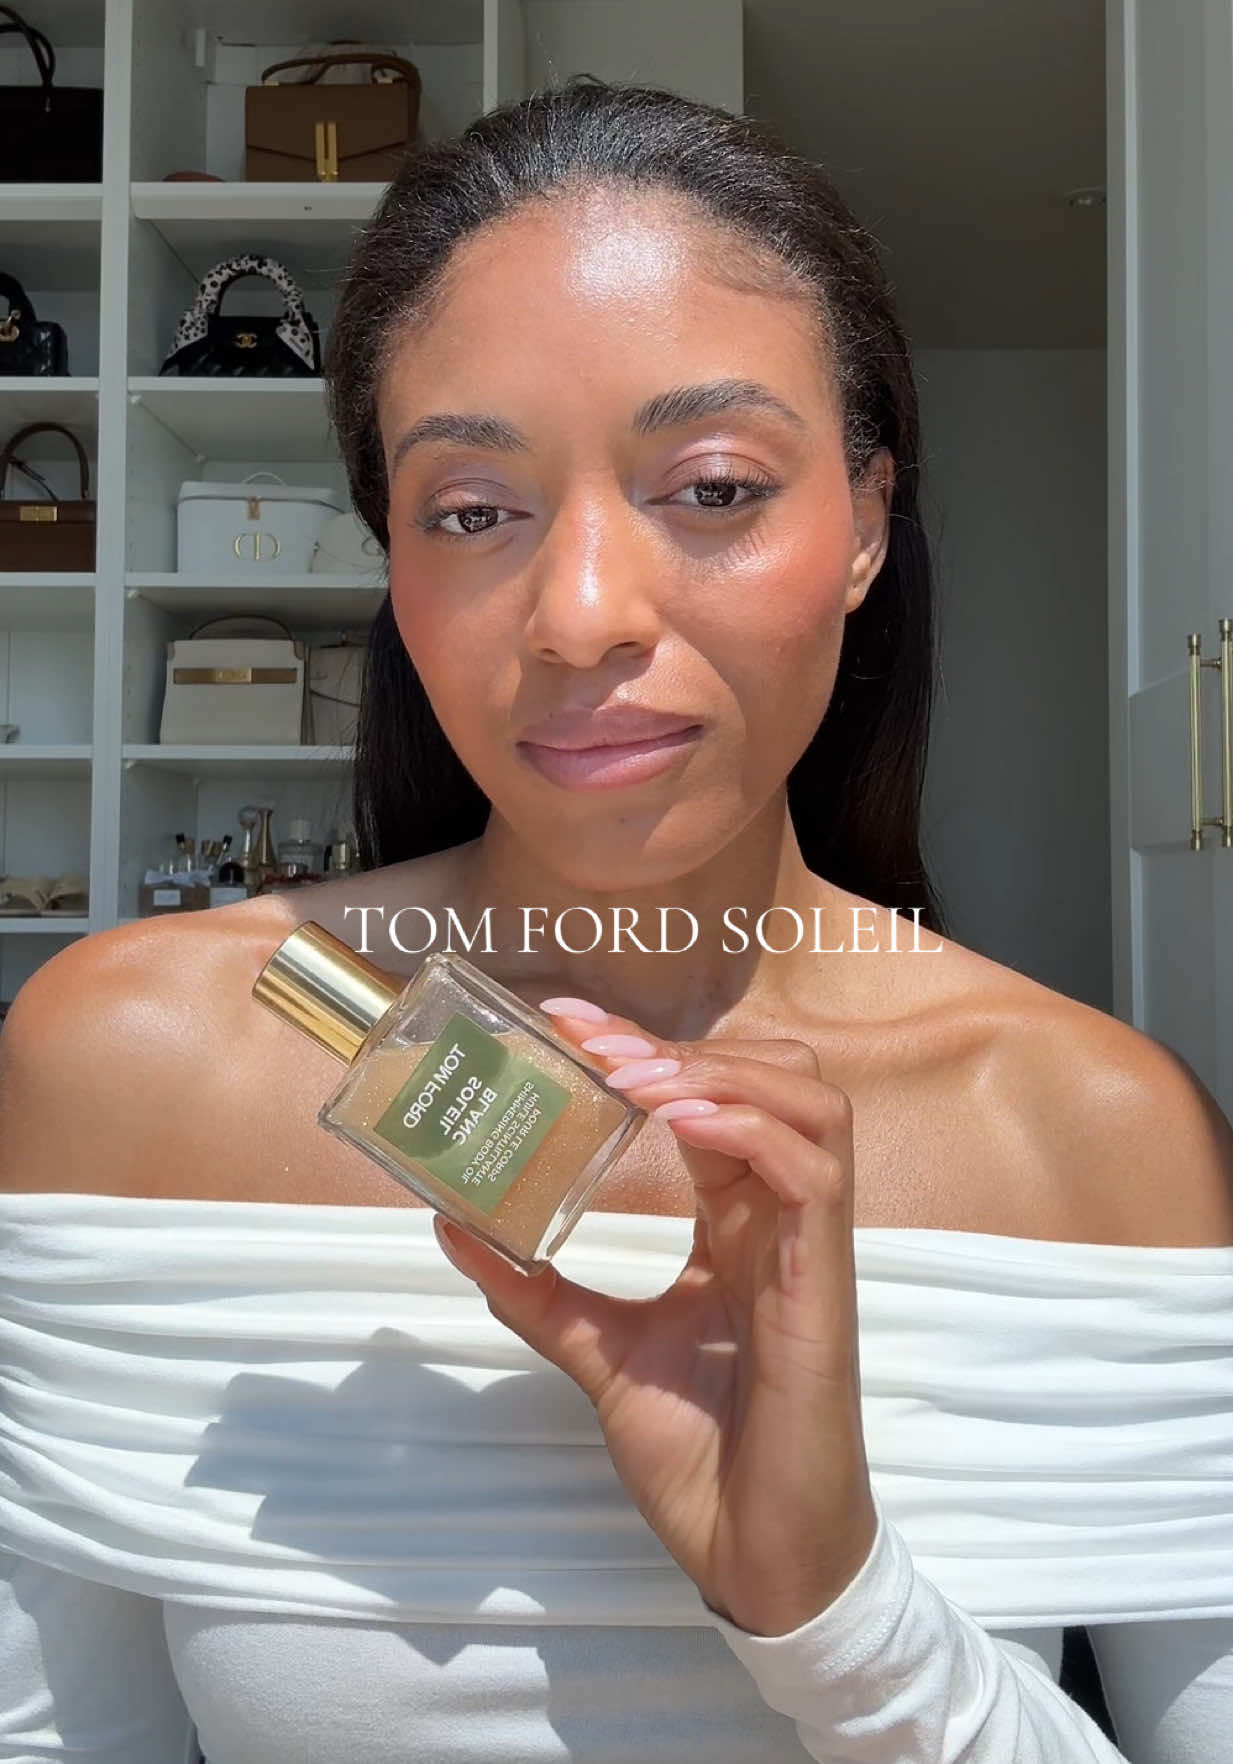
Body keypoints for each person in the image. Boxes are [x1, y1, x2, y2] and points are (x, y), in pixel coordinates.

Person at [1, 76, 1232, 1764]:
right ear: (392, 562)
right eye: (471, 511)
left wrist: (836, 1614)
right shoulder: (130, 1062)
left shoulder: (1099, 1138)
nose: (579, 615)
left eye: (712, 486)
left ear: (866, 521)